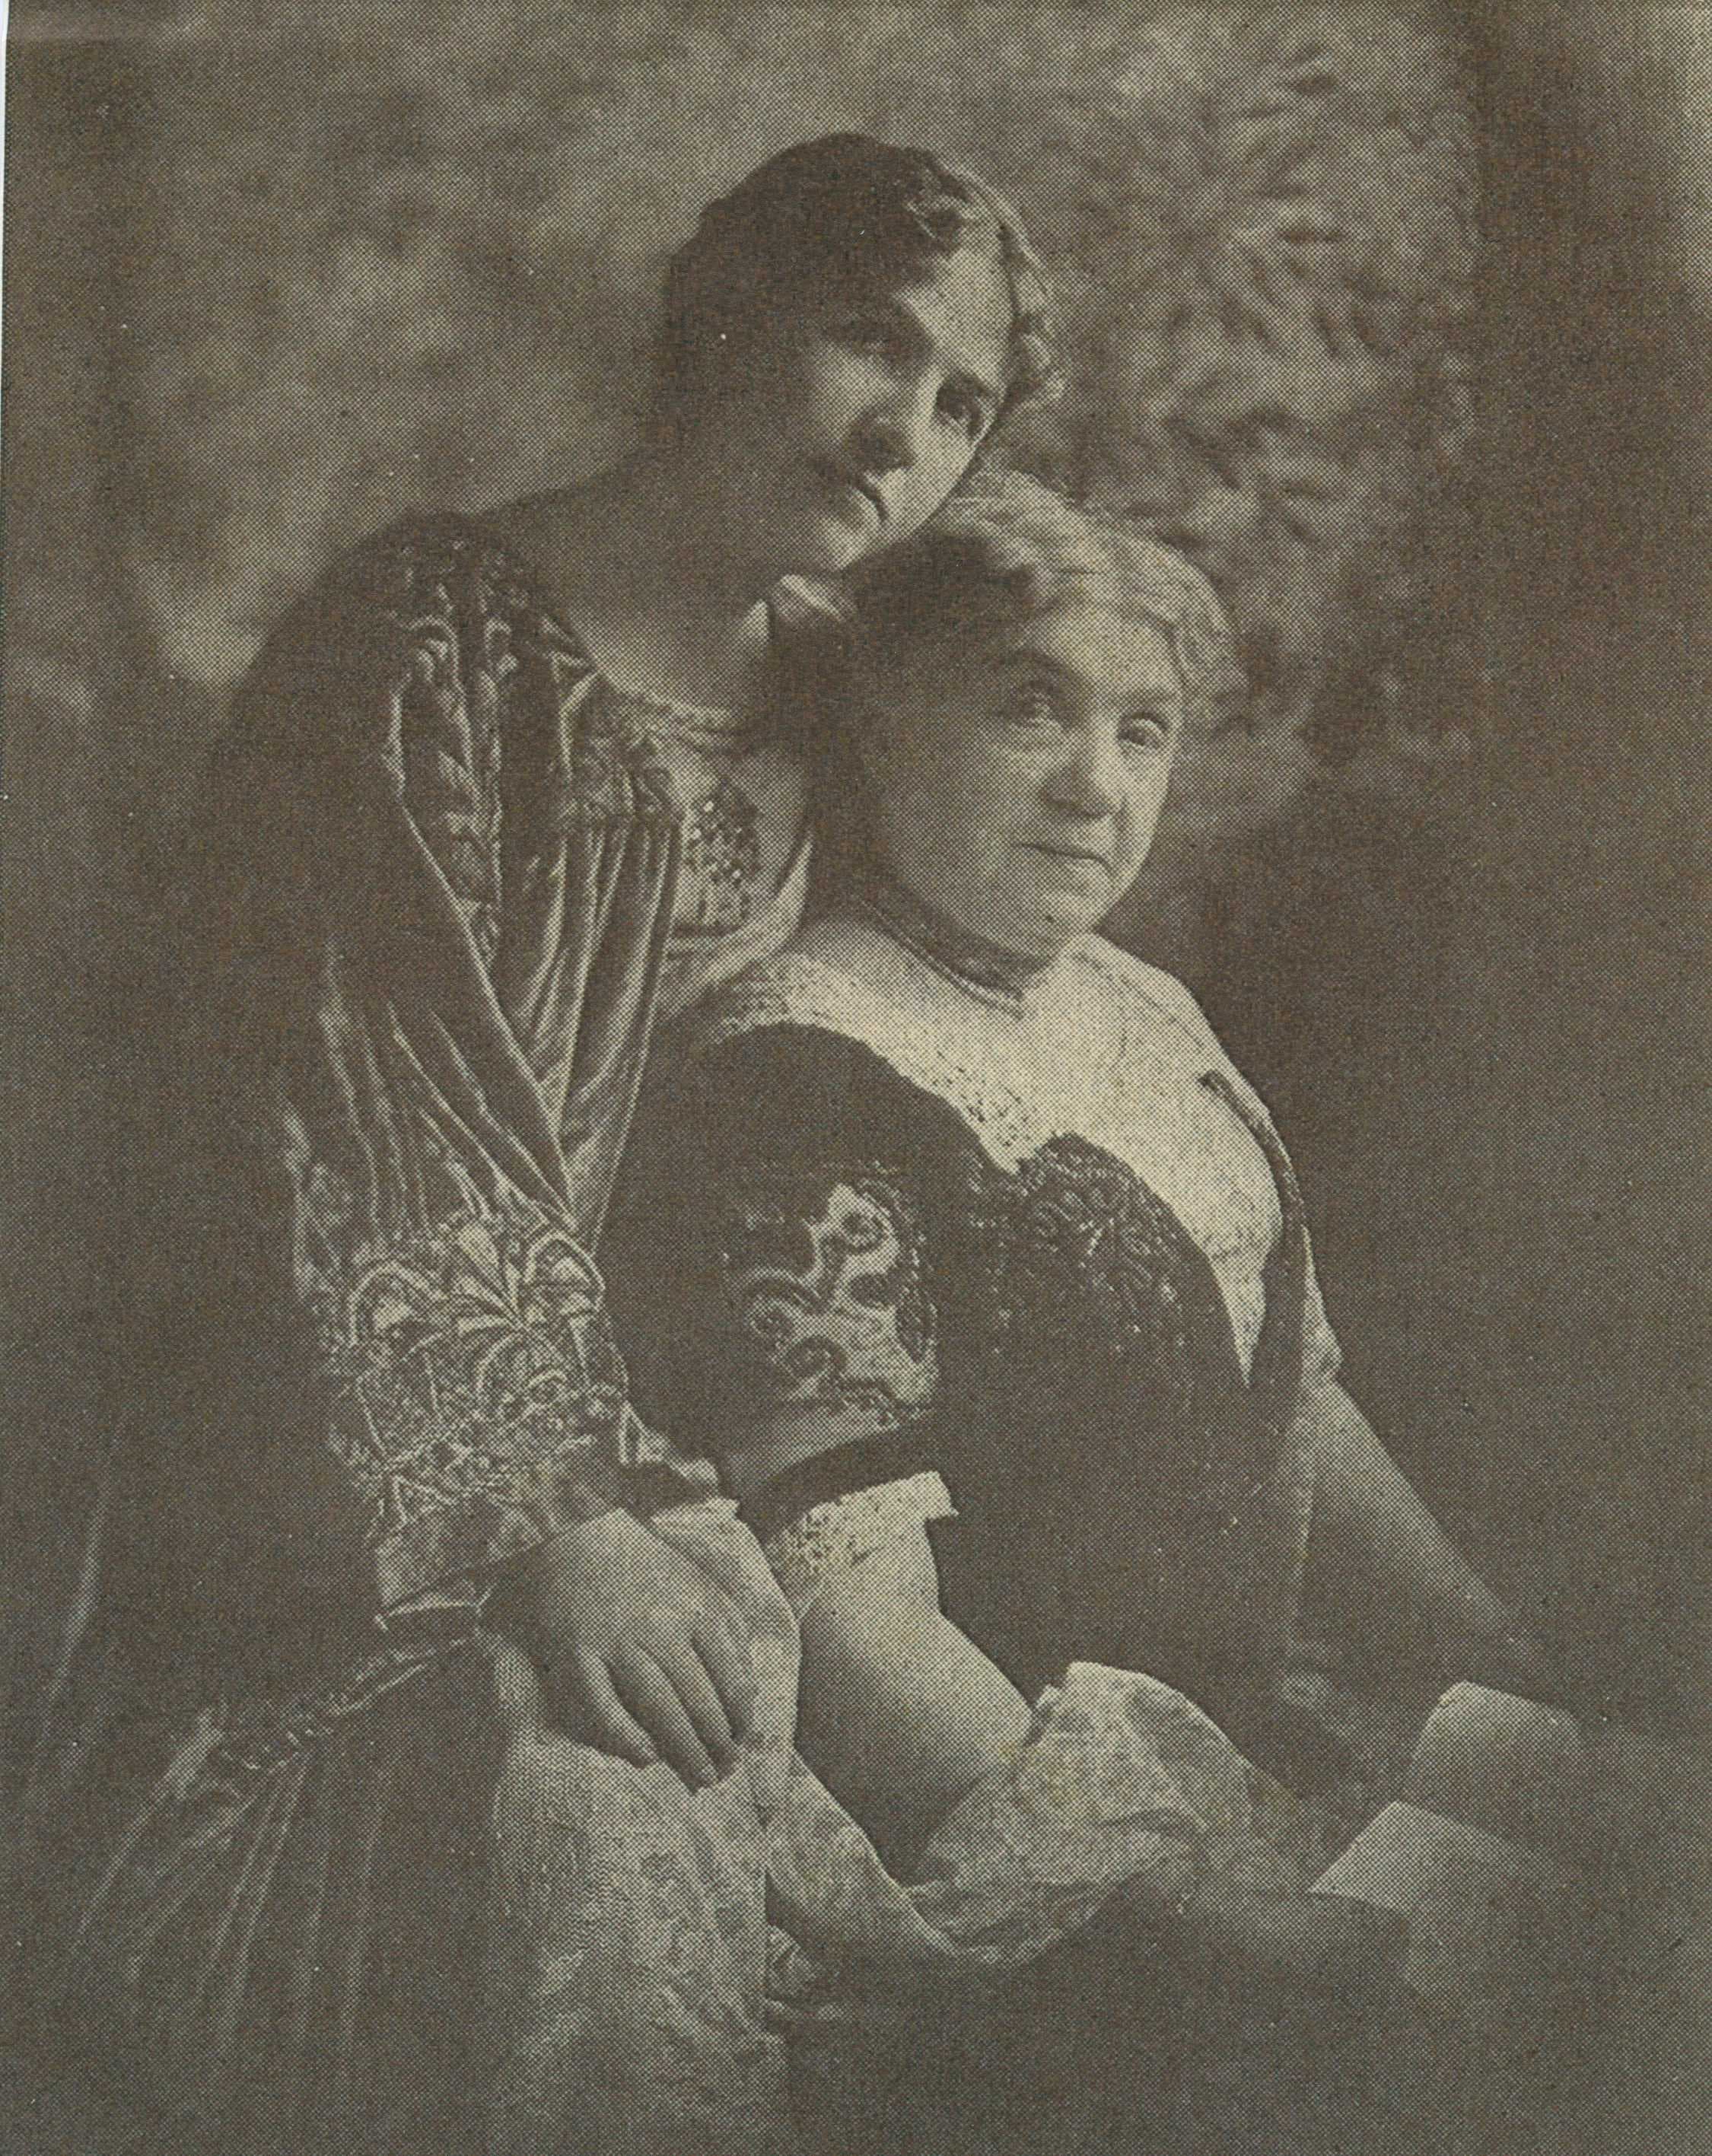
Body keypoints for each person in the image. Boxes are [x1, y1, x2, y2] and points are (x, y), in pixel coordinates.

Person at [28, 138, 1060, 2156]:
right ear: (728, 311)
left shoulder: (843, 697)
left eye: (961, 405)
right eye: (871, 339)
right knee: (584, 1817)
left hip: (684, 1424)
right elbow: (348, 1094)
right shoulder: (422, 642)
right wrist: (545, 1517)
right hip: (341, 1449)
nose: (899, 434)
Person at [605, 472, 1561, 2148]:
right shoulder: (796, 1069)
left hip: (1253, 1742)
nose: (1092, 788)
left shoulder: (1144, 1007)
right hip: (1000, 1844)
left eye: (1142, 731)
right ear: (887, 729)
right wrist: (1203, 1920)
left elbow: (1294, 1400)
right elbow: (856, 1633)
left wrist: (1494, 1662)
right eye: (1029, 709)